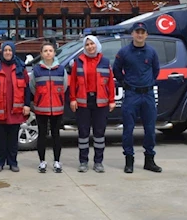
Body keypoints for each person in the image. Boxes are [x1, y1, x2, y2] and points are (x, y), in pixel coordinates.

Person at [112, 22, 162, 174]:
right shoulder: (124, 52)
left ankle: (149, 160)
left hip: (147, 95)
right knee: (128, 129)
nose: (140, 35)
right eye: (137, 32)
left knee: (150, 129)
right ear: (132, 34)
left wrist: (147, 83)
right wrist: (125, 83)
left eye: (142, 32)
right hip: (131, 94)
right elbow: (116, 70)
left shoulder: (152, 52)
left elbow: (156, 71)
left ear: (146, 35)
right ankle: (129, 160)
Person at [69, 35, 115, 173]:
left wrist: (111, 100)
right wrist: (73, 98)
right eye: (87, 44)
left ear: (97, 45)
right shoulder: (78, 62)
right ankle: (83, 162)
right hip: (83, 102)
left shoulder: (105, 62)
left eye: (92, 44)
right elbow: (73, 82)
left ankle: (98, 162)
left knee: (99, 133)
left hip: (101, 102)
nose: (90, 47)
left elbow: (111, 82)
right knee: (83, 133)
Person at [0, 41, 31, 172]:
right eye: (5, 50)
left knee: (12, 140)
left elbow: (27, 88)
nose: (8, 53)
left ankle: (13, 162)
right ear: (1, 52)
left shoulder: (20, 68)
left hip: (15, 111)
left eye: (10, 50)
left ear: (14, 52)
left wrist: (27, 105)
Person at [29, 41, 64, 174]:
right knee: (42, 134)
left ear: (54, 53)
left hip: (56, 107)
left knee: (56, 135)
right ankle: (42, 161)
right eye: (45, 51)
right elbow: (33, 87)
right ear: (41, 54)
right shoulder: (37, 70)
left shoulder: (60, 69)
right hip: (41, 108)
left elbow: (64, 86)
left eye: (50, 50)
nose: (48, 53)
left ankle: (57, 161)